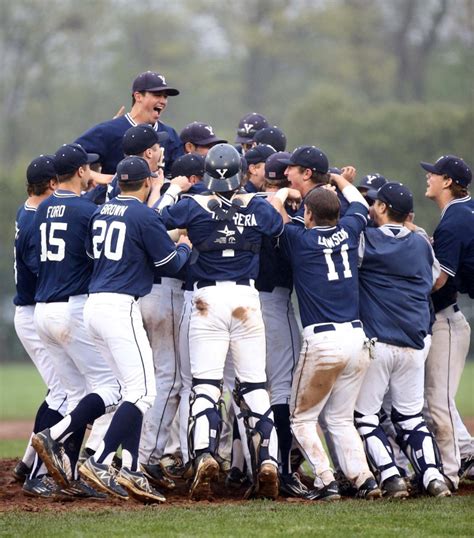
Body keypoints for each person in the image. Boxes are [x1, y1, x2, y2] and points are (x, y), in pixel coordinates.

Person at [35, 156, 191, 503]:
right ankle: (102, 459)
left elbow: (94, 253)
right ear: (147, 183)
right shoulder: (143, 214)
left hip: (93, 305)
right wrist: (183, 246)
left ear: (119, 182)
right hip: (119, 307)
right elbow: (171, 264)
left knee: (122, 389)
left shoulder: (102, 211)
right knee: (143, 392)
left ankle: (114, 460)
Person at [159, 143, 284, 501]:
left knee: (206, 385)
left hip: (206, 301)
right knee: (255, 386)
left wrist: (173, 189)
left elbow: (158, 217)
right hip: (247, 299)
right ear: (241, 173)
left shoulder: (193, 205)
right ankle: (269, 461)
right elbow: (276, 227)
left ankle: (203, 456)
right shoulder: (256, 205)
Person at [271, 172, 381, 501]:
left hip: (324, 341)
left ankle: (325, 479)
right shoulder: (349, 229)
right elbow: (361, 205)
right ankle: (364, 479)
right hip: (358, 338)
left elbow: (273, 212)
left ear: (308, 214)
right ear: (337, 214)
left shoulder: (300, 239)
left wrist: (286, 191)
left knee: (301, 418)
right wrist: (337, 180)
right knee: (340, 418)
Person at [31, 144, 122, 497]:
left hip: (42, 309)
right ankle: (63, 445)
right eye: (87, 168)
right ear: (82, 171)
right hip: (72, 307)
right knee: (111, 388)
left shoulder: (42, 209)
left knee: (75, 394)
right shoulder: (87, 211)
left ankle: (66, 477)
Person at [354, 182, 451, 498]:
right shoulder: (422, 243)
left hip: (378, 341)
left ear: (381, 207)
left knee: (365, 418)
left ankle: (391, 476)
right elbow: (434, 279)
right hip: (415, 341)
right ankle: (433, 477)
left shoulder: (366, 240)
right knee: (411, 418)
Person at [12, 155, 67, 497]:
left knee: (58, 390)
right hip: (34, 313)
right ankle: (36, 471)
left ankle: (26, 462)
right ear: (50, 185)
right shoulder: (37, 221)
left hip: (32, 312)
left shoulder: (27, 209)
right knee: (62, 390)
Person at [420, 154, 473, 490]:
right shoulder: (464, 212)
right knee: (438, 400)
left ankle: (451, 472)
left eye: (434, 174)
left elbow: (440, 281)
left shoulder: (454, 220)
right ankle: (467, 455)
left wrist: (414, 262)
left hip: (448, 321)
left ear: (448, 182)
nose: (429, 178)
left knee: (437, 401)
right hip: (451, 319)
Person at [255, 152, 304, 497]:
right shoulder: (292, 210)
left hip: (243, 301)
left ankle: (245, 467)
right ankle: (283, 468)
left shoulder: (245, 202)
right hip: (274, 303)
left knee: (250, 387)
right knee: (283, 388)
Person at [75, 71, 183, 177]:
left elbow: (181, 177)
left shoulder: (169, 134)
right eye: (157, 95)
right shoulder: (110, 130)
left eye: (165, 97)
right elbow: (68, 162)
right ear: (138, 96)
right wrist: (101, 178)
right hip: (118, 194)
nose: (163, 101)